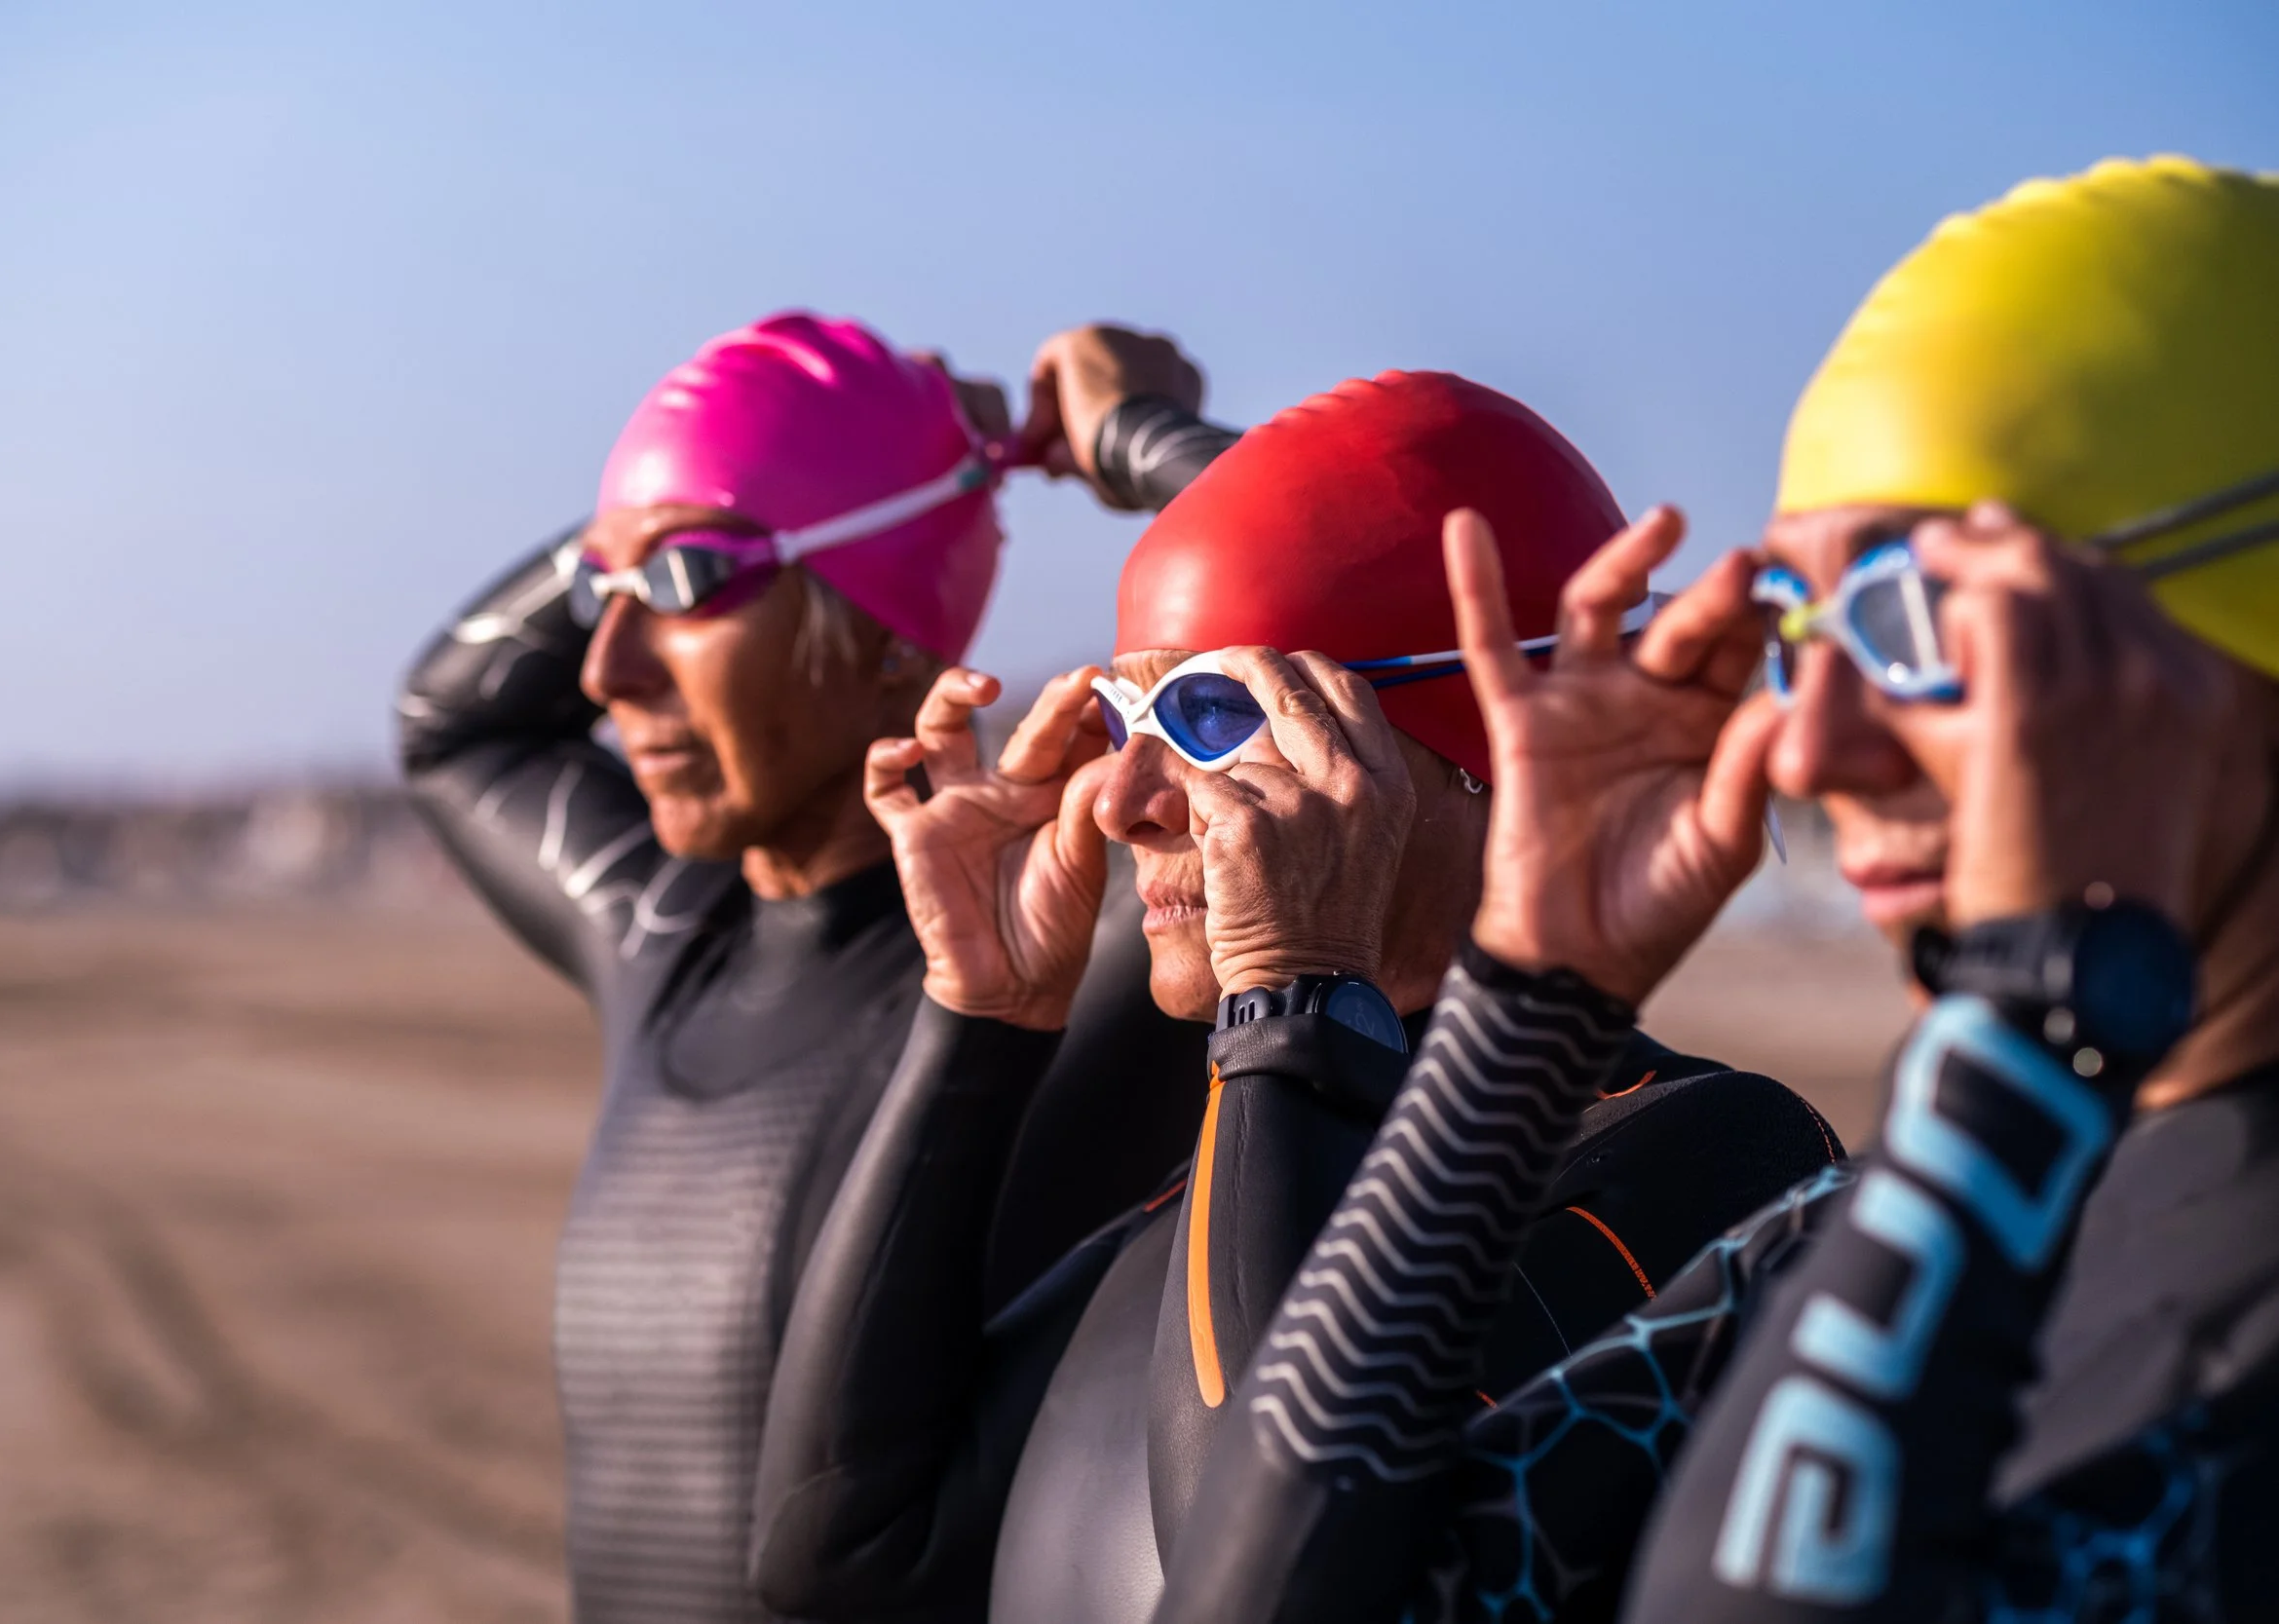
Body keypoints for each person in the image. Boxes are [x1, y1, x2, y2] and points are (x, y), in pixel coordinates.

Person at [1157, 154, 2279, 1624]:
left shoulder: (1951, 1192)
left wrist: (2034, 1005)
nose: (1812, 743)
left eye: (1925, 616)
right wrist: (1532, 999)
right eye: (1803, 630)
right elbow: (1274, 1597)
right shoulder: (1865, 1230)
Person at [747, 371, 1842, 1624]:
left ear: (1477, 749)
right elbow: (834, 1548)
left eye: (1211, 713)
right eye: (1123, 715)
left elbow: (1265, 1589)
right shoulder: (1246, 1169)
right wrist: (976, 1027)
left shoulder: (1720, 1162)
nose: (1118, 798)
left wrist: (1293, 995)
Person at [396, 312, 1214, 1623]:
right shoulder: (667, 936)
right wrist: (658, 522)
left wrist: (1146, 443)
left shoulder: (1057, 967)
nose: (608, 670)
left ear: (894, 634)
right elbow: (452, 719)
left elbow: (1406, 666)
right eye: (605, 600)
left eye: (681, 590)